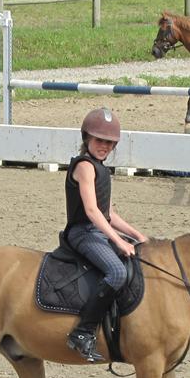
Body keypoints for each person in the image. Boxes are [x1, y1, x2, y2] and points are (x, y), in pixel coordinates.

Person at [63, 107, 149, 363]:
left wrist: (137, 235)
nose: (104, 146)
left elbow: (108, 213)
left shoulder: (101, 169)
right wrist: (118, 241)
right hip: (82, 233)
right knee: (117, 272)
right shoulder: (85, 167)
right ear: (86, 138)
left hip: (98, 230)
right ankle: (82, 332)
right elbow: (91, 211)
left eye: (109, 143)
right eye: (100, 140)